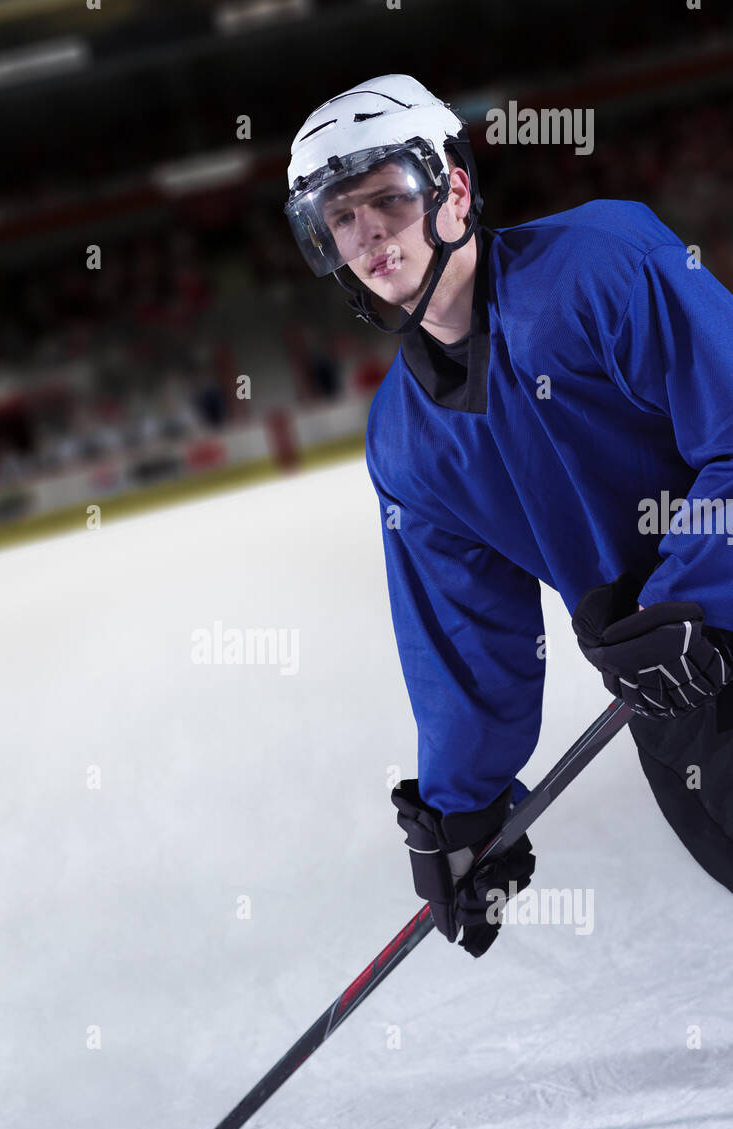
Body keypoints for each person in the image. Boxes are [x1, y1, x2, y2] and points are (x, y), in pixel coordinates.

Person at [284, 75, 733, 957]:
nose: (367, 232)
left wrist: (692, 592)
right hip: (668, 680)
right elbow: (464, 640)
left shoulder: (601, 264)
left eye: (387, 196)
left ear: (453, 191)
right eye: (339, 217)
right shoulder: (403, 442)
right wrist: (462, 810)